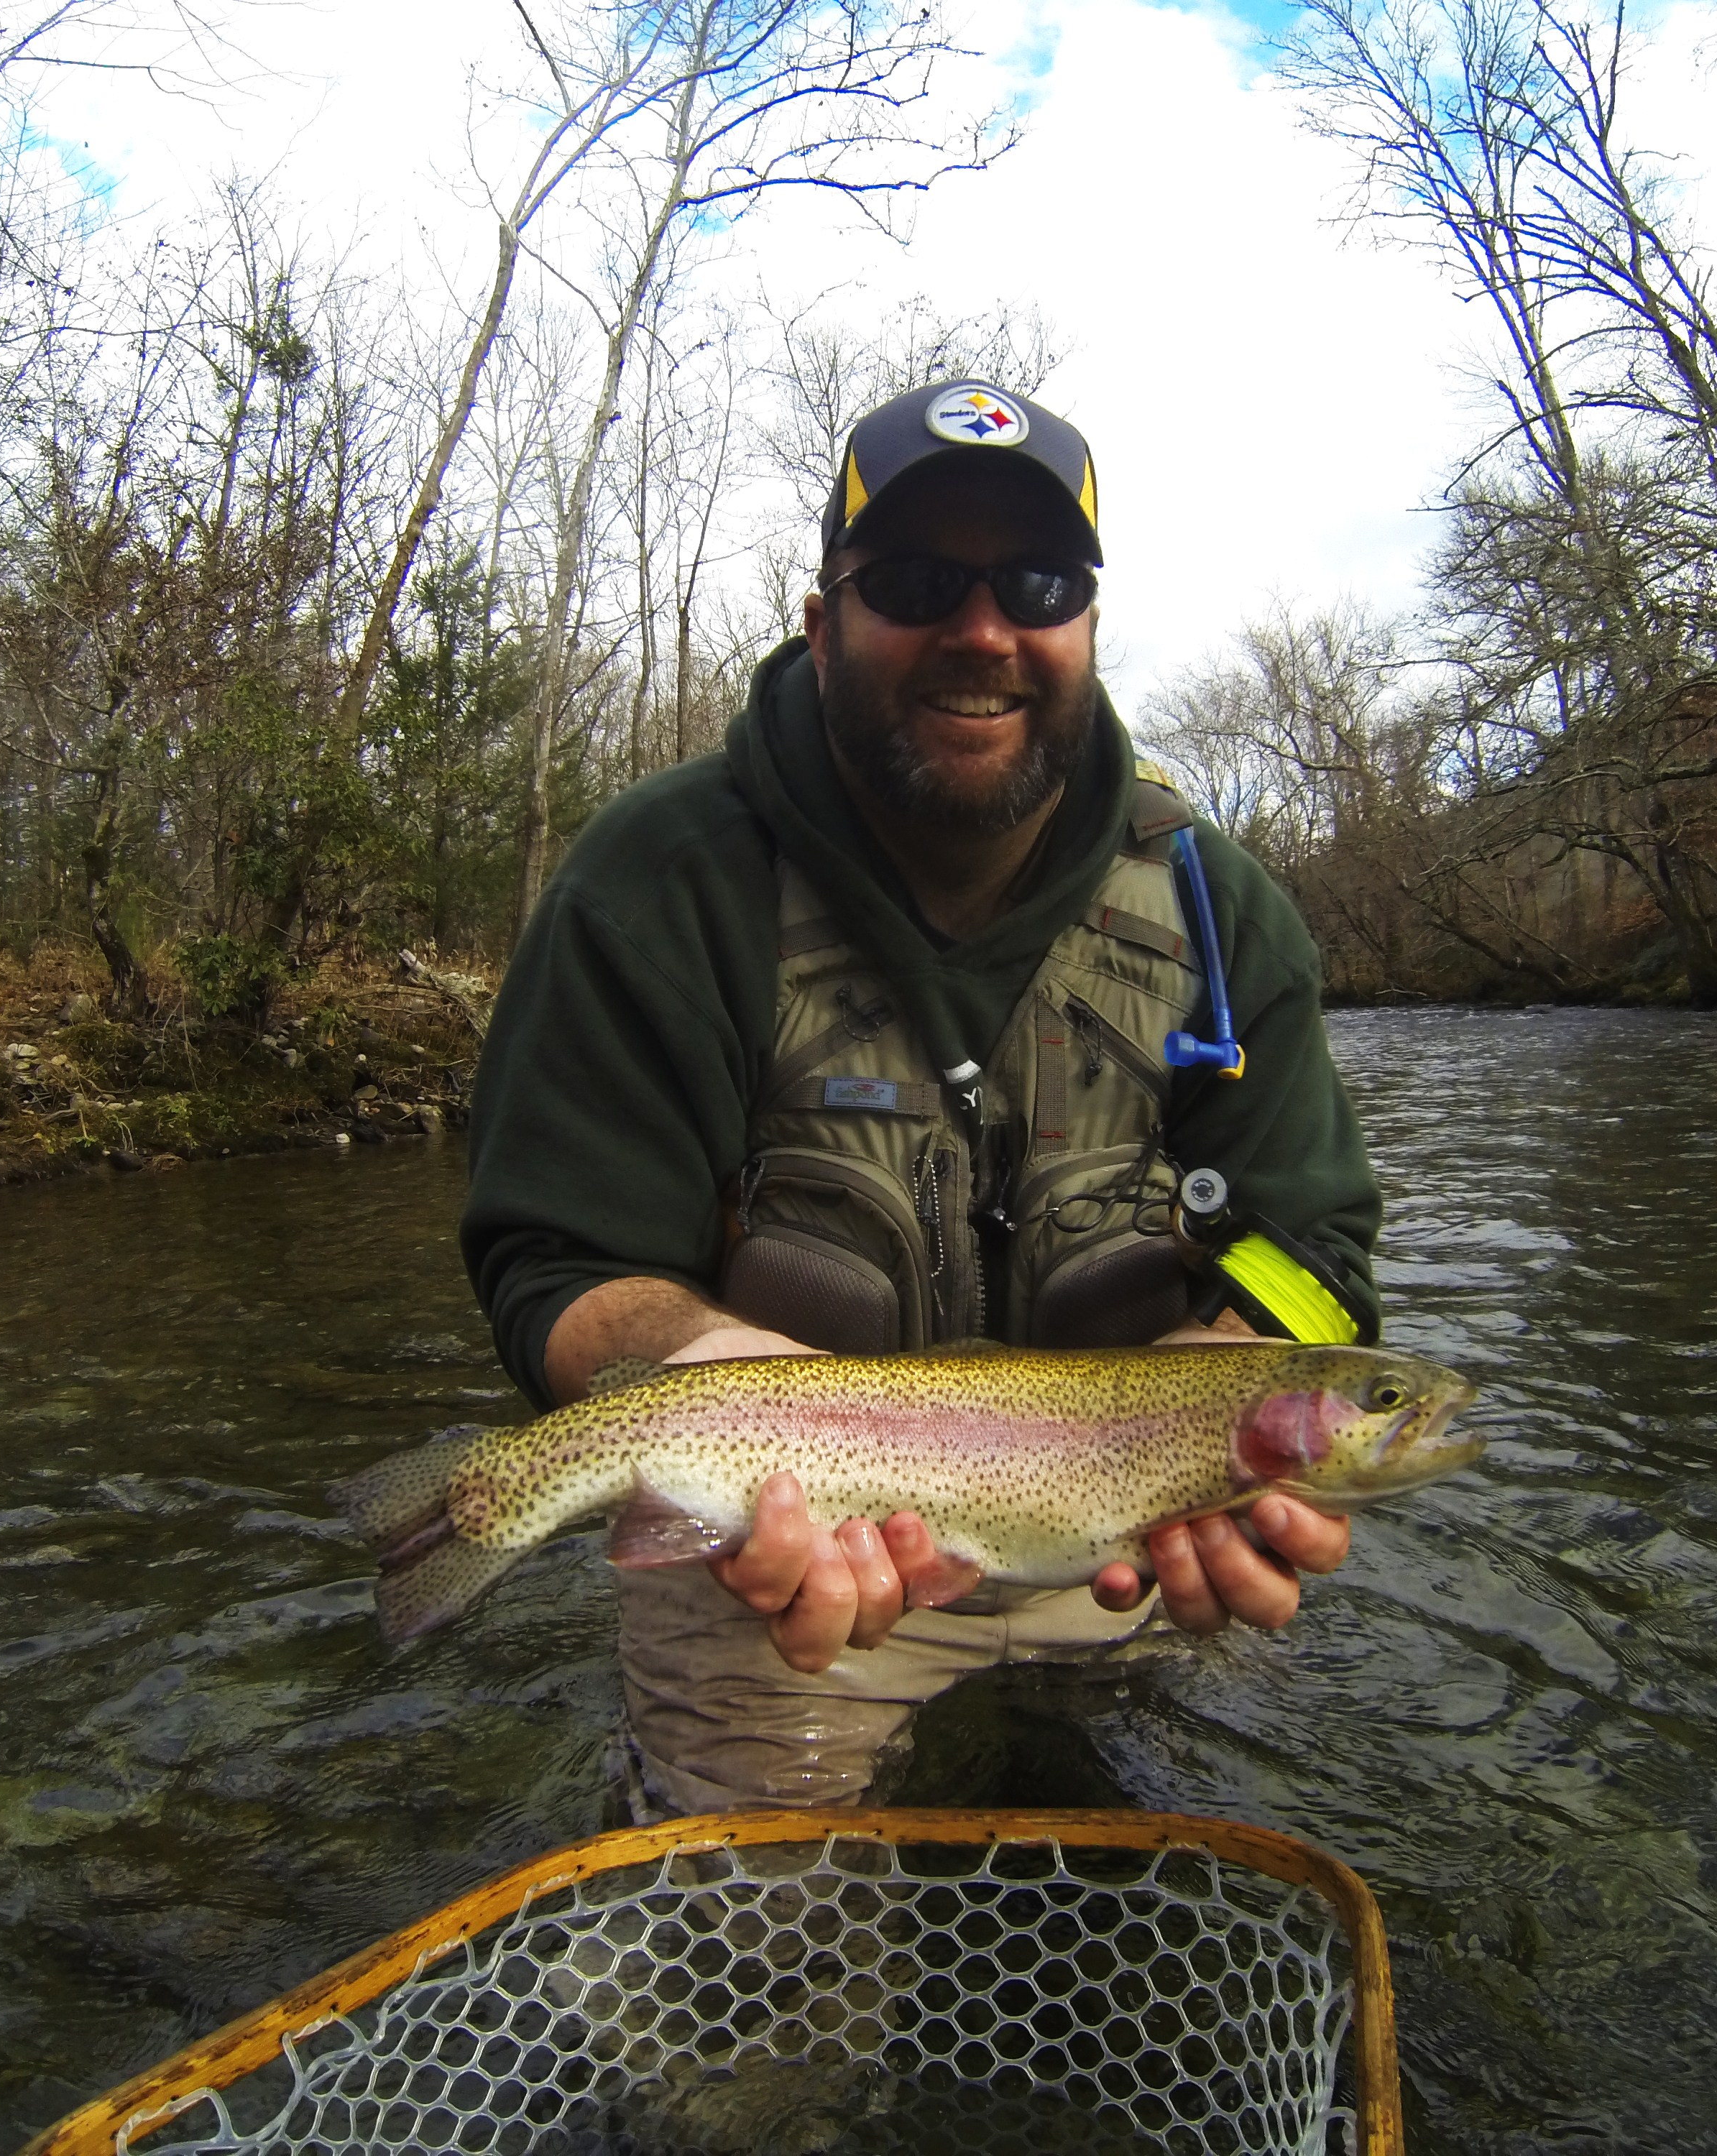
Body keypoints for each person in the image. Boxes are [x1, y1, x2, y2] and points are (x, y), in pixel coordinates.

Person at [459, 379, 1384, 1817]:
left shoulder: (1220, 912)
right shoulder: (654, 887)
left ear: (1087, 623)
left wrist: (1230, 1385)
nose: (983, 631)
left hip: (1131, 1552)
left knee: (1165, 1880)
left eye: (1037, 584)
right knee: (755, 1939)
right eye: (912, 581)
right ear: (824, 621)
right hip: (779, 1564)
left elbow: (1314, 1252)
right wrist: (708, 1379)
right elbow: (557, 1262)